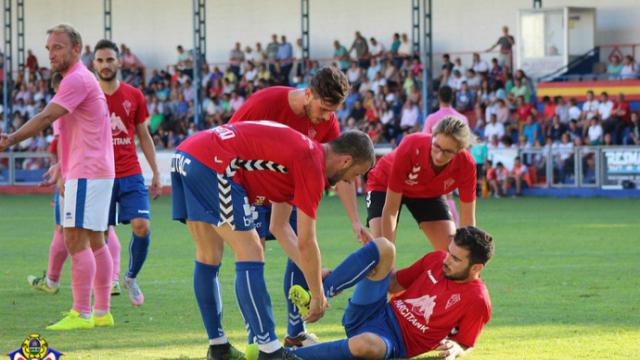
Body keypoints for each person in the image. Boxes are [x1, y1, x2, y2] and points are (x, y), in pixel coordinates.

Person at [171, 123, 375, 359]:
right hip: (213, 163)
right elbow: (307, 241)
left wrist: (314, 273)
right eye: (357, 174)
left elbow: (279, 227)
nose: (351, 182)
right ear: (346, 161)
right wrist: (318, 296)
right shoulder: (312, 166)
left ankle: (219, 347)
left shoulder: (302, 155)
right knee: (251, 251)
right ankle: (270, 350)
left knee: (209, 254)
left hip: (187, 154)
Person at [229, 65, 371, 347]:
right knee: (252, 255)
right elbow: (228, 139)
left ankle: (296, 332)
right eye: (323, 108)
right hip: (249, 186)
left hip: (287, 192)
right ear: (308, 94)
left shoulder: (328, 124)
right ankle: (256, 336)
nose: (327, 117)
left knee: (301, 246)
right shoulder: (265, 102)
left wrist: (355, 221)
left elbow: (342, 169)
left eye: (333, 111)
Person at [0, 24, 115, 330]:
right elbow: (80, 131)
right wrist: (61, 166)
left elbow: (46, 117)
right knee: (96, 241)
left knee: (74, 237)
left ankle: (81, 313)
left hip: (89, 172)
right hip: (94, 169)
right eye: (49, 47)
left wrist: (10, 139)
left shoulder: (76, 78)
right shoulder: (80, 79)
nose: (51, 53)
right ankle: (102, 312)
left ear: (76, 49)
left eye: (58, 47)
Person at [288, 226, 494, 360]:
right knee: (384, 247)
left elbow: (465, 342)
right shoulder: (436, 259)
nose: (447, 260)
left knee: (365, 344)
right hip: (372, 312)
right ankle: (320, 294)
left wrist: (457, 349)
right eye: (450, 252)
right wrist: (370, 259)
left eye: (456, 259)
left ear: (476, 268)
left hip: (393, 342)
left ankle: (286, 356)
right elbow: (393, 284)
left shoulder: (478, 300)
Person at [93, 39, 161, 306]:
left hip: (130, 173)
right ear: (94, 64)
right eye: (100, 60)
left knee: (142, 226)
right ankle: (102, 286)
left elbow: (144, 135)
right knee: (98, 234)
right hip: (99, 175)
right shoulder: (89, 95)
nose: (105, 65)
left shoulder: (134, 95)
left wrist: (155, 172)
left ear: (119, 62)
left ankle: (130, 277)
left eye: (110, 59)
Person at [367, 117, 477, 251]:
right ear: (433, 136)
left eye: (448, 152)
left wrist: (466, 257)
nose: (439, 157)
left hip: (428, 193)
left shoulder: (466, 164)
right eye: (437, 146)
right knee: (380, 253)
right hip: (384, 183)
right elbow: (390, 209)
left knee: (450, 252)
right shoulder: (411, 144)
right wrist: (387, 255)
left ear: (459, 150)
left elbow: (467, 220)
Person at [423, 86, 469, 226]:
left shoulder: (432, 118)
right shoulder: (462, 118)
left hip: (436, 160)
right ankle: (454, 225)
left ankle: (449, 226)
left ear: (438, 98)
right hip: (455, 159)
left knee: (441, 195)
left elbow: (425, 140)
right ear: (452, 98)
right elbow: (465, 143)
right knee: (449, 195)